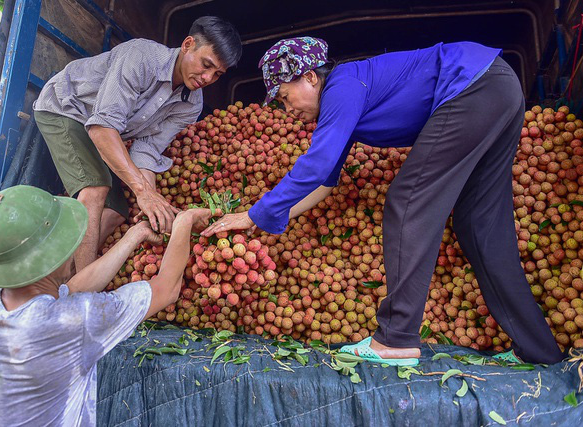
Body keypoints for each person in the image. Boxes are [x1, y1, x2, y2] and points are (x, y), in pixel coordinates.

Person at [202, 37, 564, 365]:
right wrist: (262, 219)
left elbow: (315, 166)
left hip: (472, 86)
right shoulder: (342, 105)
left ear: (310, 77)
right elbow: (323, 184)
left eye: (284, 96)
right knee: (478, 225)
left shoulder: (343, 85)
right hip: (498, 87)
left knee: (407, 201)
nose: (286, 108)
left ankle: (396, 338)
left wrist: (253, 213)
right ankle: (536, 349)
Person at [0, 185, 212, 425]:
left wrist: (135, 235)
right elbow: (167, 288)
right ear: (51, 255)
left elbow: (72, 290)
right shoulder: (73, 321)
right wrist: (185, 221)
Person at [33, 16, 241, 271]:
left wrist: (153, 199)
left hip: (103, 130)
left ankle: (65, 275)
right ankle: (80, 292)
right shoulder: (142, 57)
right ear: (188, 45)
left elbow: (147, 148)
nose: (207, 77)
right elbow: (102, 127)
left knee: (117, 212)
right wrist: (142, 192)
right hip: (66, 108)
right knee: (95, 190)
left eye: (217, 74)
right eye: (206, 64)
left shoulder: (192, 104)